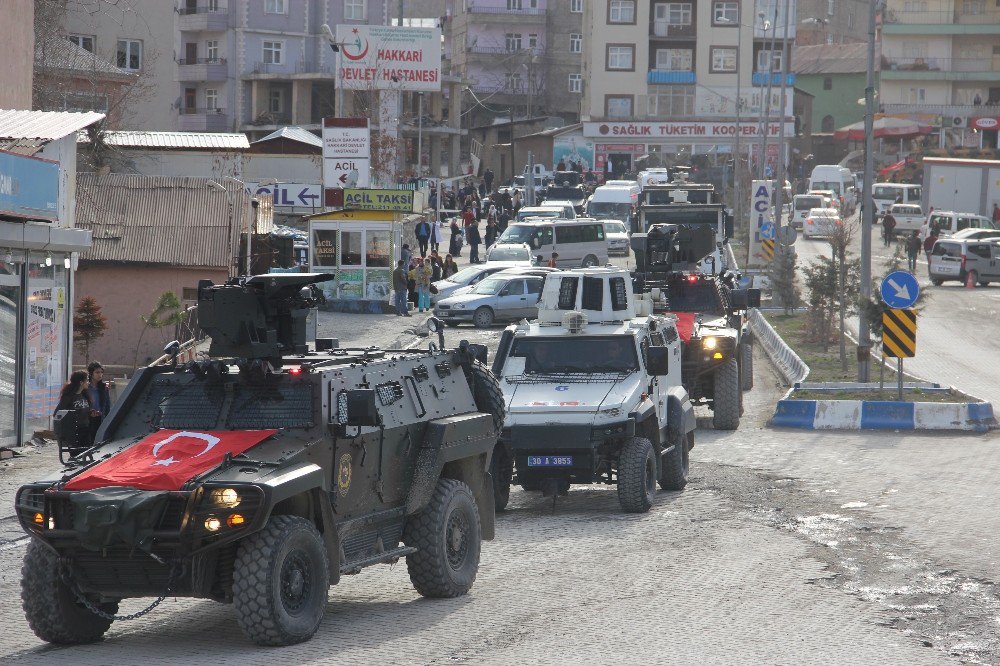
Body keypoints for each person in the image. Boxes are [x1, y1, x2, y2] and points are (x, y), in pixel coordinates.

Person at [54, 370, 92, 452]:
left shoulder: (85, 395)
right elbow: (57, 413)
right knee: (76, 453)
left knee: (87, 451)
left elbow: (86, 410)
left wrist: (91, 413)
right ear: (81, 382)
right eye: (87, 380)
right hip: (74, 431)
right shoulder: (68, 397)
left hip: (85, 428)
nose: (88, 382)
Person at [86, 361, 111, 444]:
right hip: (88, 418)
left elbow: (107, 405)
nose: (100, 375)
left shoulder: (104, 387)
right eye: (97, 372)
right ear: (91, 373)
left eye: (101, 372)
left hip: (100, 418)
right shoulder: (86, 387)